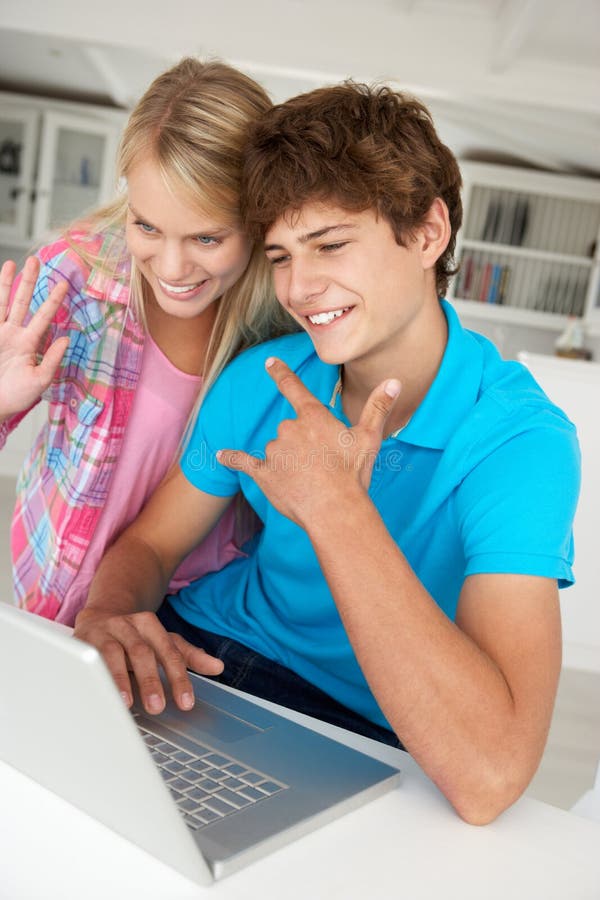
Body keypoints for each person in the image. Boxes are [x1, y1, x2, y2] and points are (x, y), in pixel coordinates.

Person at [74, 82, 580, 824]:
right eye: (279, 255)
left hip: (376, 728)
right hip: (209, 660)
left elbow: (490, 775)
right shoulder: (264, 379)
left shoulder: (519, 443)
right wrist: (111, 613)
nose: (300, 289)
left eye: (331, 244)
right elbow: (153, 542)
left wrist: (337, 505)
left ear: (428, 232)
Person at [0, 57, 293, 625]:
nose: (173, 266)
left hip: (200, 612)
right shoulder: (75, 277)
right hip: (60, 587)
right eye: (147, 226)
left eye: (207, 236)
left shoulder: (284, 319)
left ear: (258, 221)